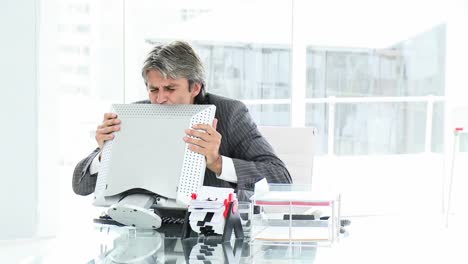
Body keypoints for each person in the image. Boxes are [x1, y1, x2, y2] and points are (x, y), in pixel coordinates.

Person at [72, 41, 291, 200]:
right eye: (153, 89)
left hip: (208, 232)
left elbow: (281, 178)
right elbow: (80, 185)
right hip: (145, 231)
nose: (159, 99)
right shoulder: (136, 114)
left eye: (170, 88)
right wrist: (106, 153)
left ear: (195, 87)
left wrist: (217, 162)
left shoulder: (230, 113)